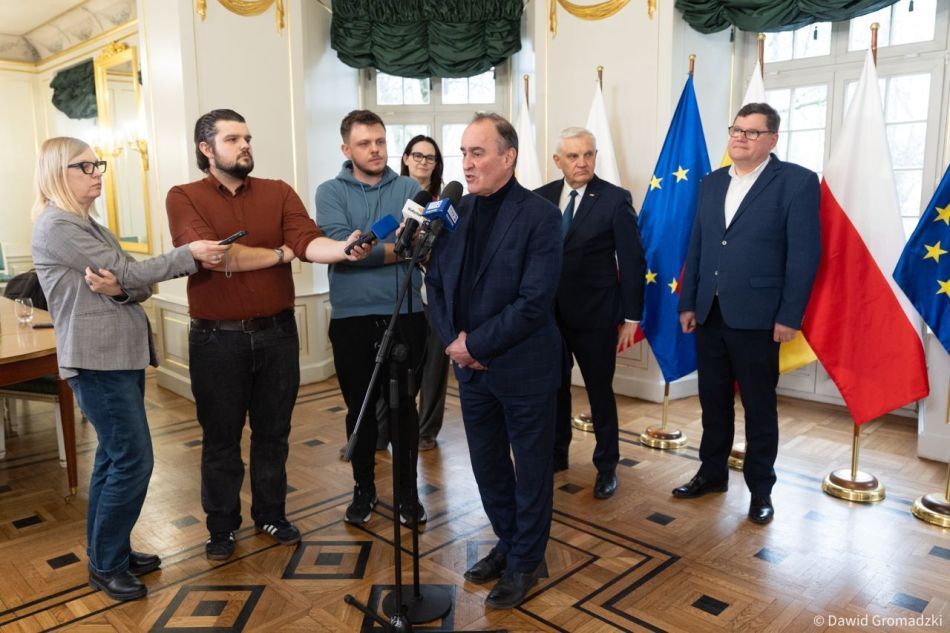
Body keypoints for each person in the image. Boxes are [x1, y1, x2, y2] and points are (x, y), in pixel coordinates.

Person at [31, 136, 230, 601]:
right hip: (96, 360)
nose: (97, 173)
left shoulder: (90, 226)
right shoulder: (58, 224)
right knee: (134, 461)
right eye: (85, 166)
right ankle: (106, 565)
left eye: (97, 164)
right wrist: (190, 254)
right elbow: (131, 272)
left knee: (113, 458)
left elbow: (135, 286)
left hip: (117, 356)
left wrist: (120, 286)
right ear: (58, 173)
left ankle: (110, 551)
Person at [166, 109, 370, 561]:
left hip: (278, 334)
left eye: (248, 137)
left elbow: (307, 241)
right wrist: (280, 254)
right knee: (221, 439)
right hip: (217, 341)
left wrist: (343, 249)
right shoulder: (183, 196)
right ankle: (221, 527)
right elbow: (216, 256)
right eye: (233, 139)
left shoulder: (278, 191)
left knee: (274, 434)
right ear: (206, 149)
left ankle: (271, 514)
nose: (245, 145)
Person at [425, 113, 562, 609]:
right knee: (487, 467)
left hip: (523, 368)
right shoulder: (453, 213)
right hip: (469, 369)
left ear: (509, 157)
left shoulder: (541, 216)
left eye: (477, 153)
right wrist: (454, 344)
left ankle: (525, 562)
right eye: (463, 152)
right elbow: (434, 284)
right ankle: (510, 543)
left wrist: (475, 345)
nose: (466, 163)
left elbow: (533, 301)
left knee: (531, 471)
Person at [675, 103, 821, 525]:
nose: (740, 137)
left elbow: (804, 255)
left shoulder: (796, 182)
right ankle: (711, 473)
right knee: (713, 401)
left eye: (751, 132)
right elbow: (699, 245)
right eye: (736, 129)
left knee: (759, 408)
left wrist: (790, 315)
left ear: (772, 139)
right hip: (710, 312)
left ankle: (760, 489)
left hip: (760, 316)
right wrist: (688, 302)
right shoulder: (712, 182)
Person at [316, 110, 428, 526]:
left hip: (406, 314)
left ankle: (407, 496)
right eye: (365, 143)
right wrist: (395, 248)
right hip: (351, 318)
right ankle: (363, 491)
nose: (376, 149)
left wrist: (375, 249)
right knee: (359, 411)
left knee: (405, 412)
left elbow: (418, 245)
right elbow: (345, 251)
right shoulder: (329, 191)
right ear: (347, 149)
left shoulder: (410, 187)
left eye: (380, 141)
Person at [535, 127, 645, 498]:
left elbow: (632, 260)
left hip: (596, 316)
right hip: (548, 317)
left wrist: (632, 317)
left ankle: (607, 466)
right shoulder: (540, 197)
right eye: (573, 156)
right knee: (554, 389)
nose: (582, 162)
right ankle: (556, 455)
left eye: (588, 154)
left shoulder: (614, 199)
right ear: (558, 160)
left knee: (599, 394)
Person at [401, 135, 449, 451]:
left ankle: (426, 431)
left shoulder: (445, 202)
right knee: (398, 366)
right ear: (406, 158)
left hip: (433, 295)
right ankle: (385, 428)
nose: (423, 162)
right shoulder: (393, 195)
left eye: (430, 157)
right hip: (397, 295)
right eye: (417, 155)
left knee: (434, 366)